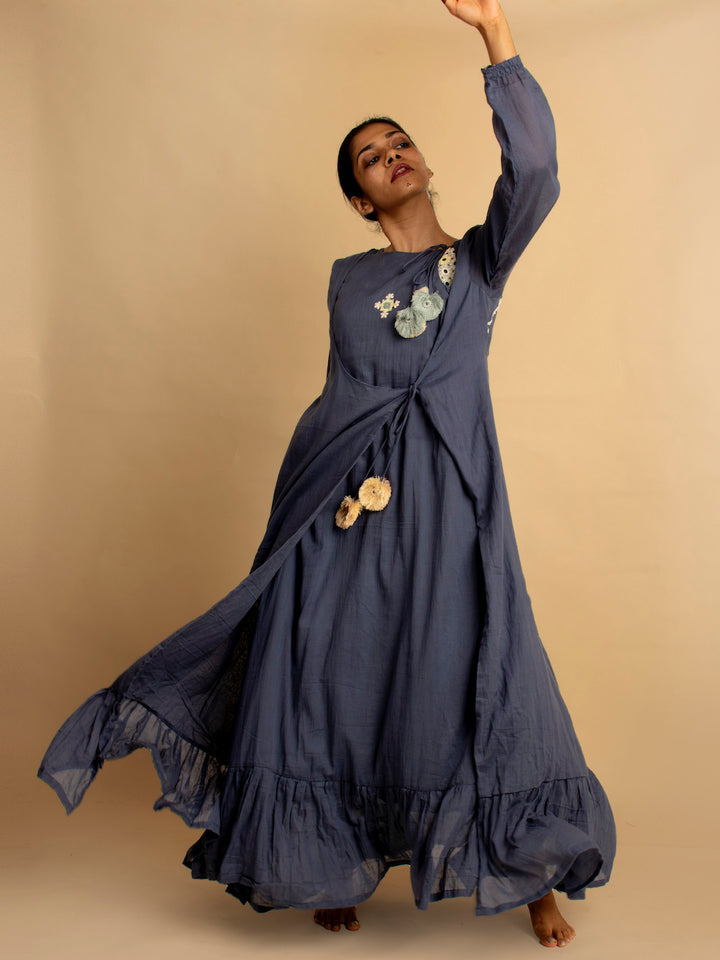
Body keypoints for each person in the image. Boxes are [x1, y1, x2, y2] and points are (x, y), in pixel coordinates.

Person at [38, 0, 616, 950]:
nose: (390, 155)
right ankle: (328, 859)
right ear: (359, 199)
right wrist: (308, 519)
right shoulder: (350, 279)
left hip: (448, 511)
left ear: (423, 162)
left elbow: (539, 172)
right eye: (368, 158)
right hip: (344, 514)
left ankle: (533, 875)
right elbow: (348, 399)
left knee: (476, 679)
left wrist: (494, 35)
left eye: (399, 142)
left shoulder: (481, 263)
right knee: (327, 683)